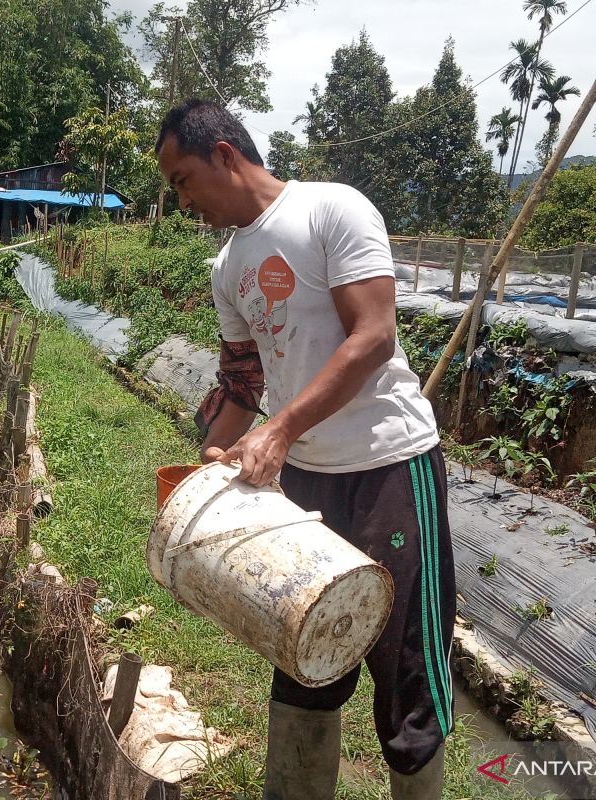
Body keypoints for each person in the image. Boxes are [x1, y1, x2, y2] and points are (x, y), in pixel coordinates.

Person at [155, 97, 454, 800]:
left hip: (388, 468)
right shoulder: (227, 265)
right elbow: (241, 380)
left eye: (182, 179)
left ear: (224, 155)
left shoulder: (331, 210)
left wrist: (280, 432)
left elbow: (374, 336)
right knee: (303, 656)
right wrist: (206, 470)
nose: (182, 199)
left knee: (407, 675)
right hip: (306, 489)